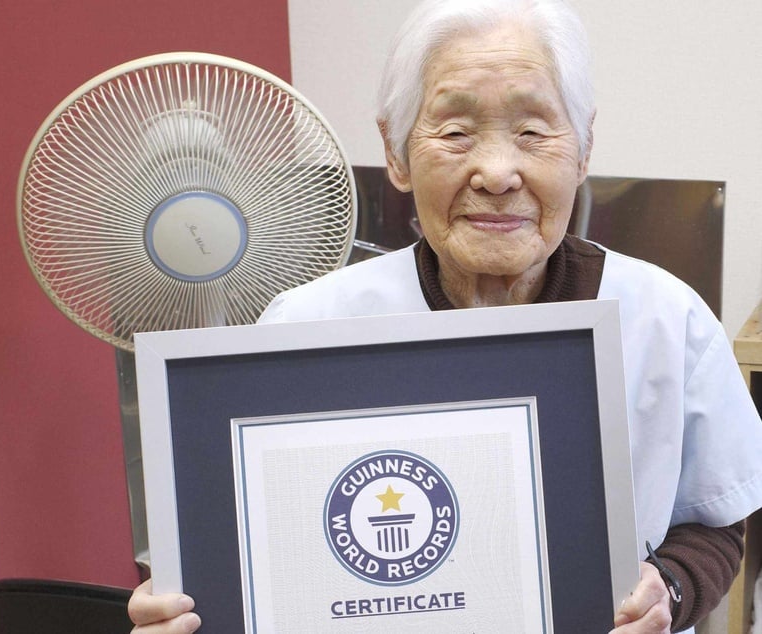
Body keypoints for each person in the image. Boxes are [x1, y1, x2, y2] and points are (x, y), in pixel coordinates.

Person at [128, 0, 762, 632]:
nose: (496, 172)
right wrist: (184, 605)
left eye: (533, 132)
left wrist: (668, 591)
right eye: (455, 132)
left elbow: (715, 523)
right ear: (397, 153)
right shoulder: (307, 326)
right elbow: (251, 548)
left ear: (584, 145)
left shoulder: (663, 318)